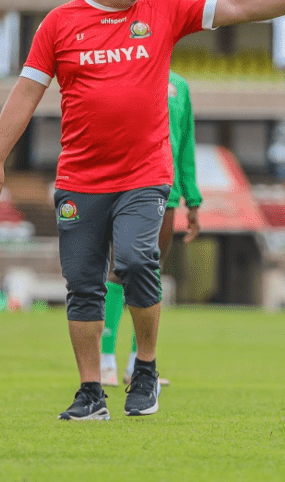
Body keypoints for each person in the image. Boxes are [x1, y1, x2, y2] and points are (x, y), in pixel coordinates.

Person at [0, 0, 285, 421]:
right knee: (83, 286)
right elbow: (24, 93)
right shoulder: (59, 25)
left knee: (134, 258)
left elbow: (234, 7)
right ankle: (90, 393)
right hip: (80, 179)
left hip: (144, 174)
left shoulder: (161, 13)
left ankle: (144, 368)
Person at [101, 70, 201, 389]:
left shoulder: (180, 86)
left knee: (151, 273)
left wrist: (193, 198)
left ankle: (138, 365)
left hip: (167, 190)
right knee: (120, 269)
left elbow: (184, 143)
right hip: (126, 186)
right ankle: (105, 362)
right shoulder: (126, 72)